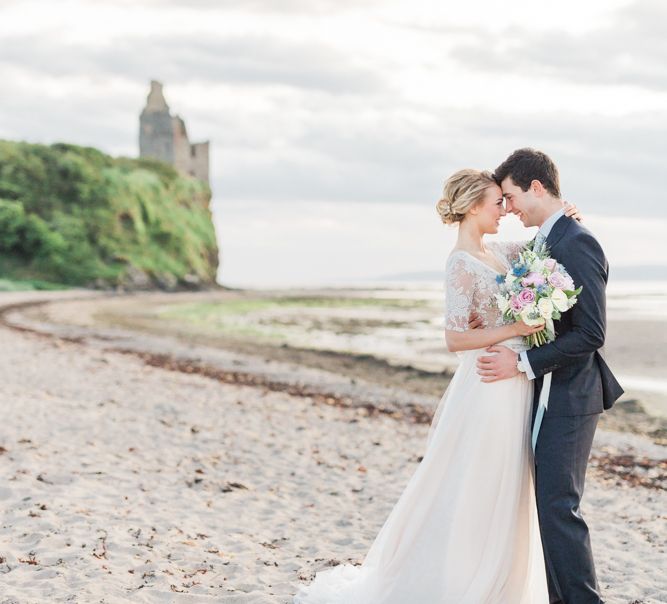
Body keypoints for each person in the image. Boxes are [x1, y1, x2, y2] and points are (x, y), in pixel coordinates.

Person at [294, 168, 582, 603]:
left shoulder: (498, 250)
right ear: (470, 207)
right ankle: (461, 581)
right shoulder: (460, 264)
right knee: (478, 482)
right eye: (495, 203)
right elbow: (454, 339)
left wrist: (565, 215)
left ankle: (503, 582)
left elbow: (541, 248)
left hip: (515, 380)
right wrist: (514, 329)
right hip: (488, 383)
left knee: (507, 485)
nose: (504, 209)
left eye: (506, 202)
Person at [476, 148, 623, 604]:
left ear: (536, 187)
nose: (510, 207)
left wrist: (522, 363)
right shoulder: (546, 240)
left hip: (573, 394)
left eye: (512, 196)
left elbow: (591, 333)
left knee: (560, 507)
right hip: (545, 393)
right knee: (548, 506)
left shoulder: (576, 241)